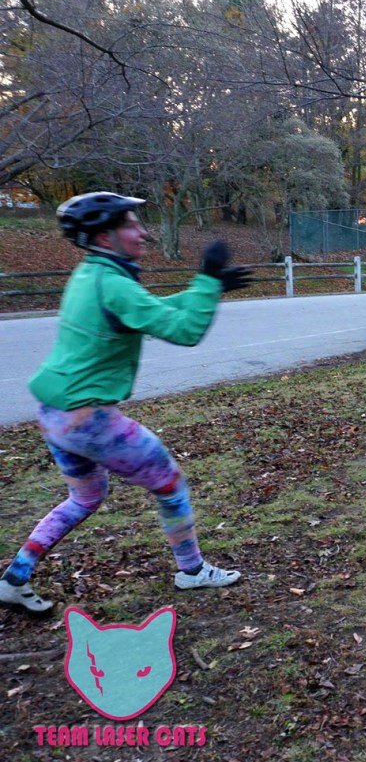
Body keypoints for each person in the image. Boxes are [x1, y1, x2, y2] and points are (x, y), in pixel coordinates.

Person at [0, 192, 252, 616]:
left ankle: (14, 578)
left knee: (84, 499)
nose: (143, 232)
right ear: (104, 237)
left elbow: (148, 312)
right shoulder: (115, 284)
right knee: (169, 485)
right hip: (88, 419)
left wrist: (208, 289)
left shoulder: (92, 274)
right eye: (131, 225)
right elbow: (184, 331)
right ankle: (192, 571)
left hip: (54, 414)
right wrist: (208, 279)